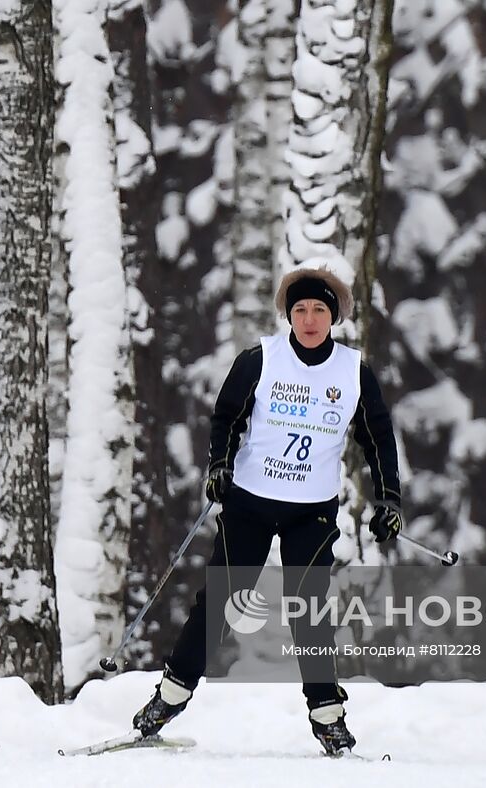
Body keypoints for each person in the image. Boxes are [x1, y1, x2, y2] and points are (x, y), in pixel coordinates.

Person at [132, 267, 404, 756]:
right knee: (221, 602)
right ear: (288, 314)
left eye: (319, 309)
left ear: (334, 316)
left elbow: (378, 439)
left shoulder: (352, 372)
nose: (309, 318)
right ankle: (168, 698)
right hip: (250, 505)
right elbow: (226, 419)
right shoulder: (260, 360)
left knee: (310, 610)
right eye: (300, 309)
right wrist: (218, 466)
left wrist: (388, 500)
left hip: (312, 513)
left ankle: (327, 717)